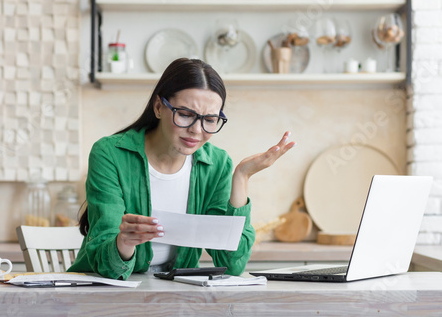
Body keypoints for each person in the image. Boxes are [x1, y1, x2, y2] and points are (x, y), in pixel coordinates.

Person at [68, 58, 295, 280]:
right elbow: (107, 268)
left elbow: (232, 264)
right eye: (185, 115)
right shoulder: (110, 154)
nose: (197, 130)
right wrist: (123, 242)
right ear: (158, 107)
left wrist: (242, 177)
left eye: (210, 119)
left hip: (177, 297)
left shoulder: (217, 164)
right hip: (104, 293)